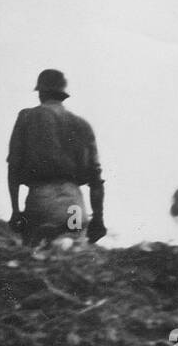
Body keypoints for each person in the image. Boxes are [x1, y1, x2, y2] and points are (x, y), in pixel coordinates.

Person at [7, 69, 106, 246]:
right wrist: (98, 218)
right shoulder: (82, 124)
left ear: (41, 92)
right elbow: (96, 180)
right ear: (63, 95)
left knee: (39, 258)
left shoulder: (27, 117)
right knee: (73, 253)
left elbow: (13, 167)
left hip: (42, 202)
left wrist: (15, 211)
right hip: (74, 205)